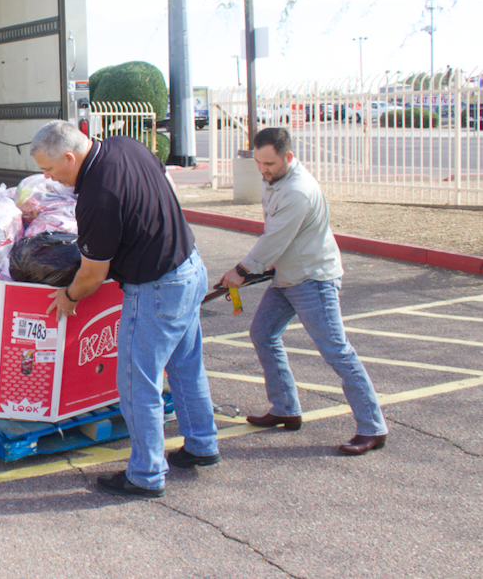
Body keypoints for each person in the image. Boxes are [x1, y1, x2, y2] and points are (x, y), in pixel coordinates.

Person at [30, 121, 219, 499]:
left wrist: (68, 297)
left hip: (157, 288)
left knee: (137, 381)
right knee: (185, 365)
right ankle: (202, 444)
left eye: (50, 170)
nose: (50, 179)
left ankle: (146, 474)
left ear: (70, 157)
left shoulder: (96, 198)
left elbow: (93, 274)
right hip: (189, 266)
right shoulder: (124, 145)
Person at [218, 127, 388, 456]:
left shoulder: (298, 189)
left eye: (269, 163)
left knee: (337, 351)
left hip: (313, 279)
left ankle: (372, 427)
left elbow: (275, 239)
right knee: (263, 332)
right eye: (258, 162)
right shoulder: (275, 181)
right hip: (287, 275)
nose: (263, 170)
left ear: (289, 157)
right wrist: (262, 268)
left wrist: (241, 271)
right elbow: (280, 238)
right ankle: (285, 408)